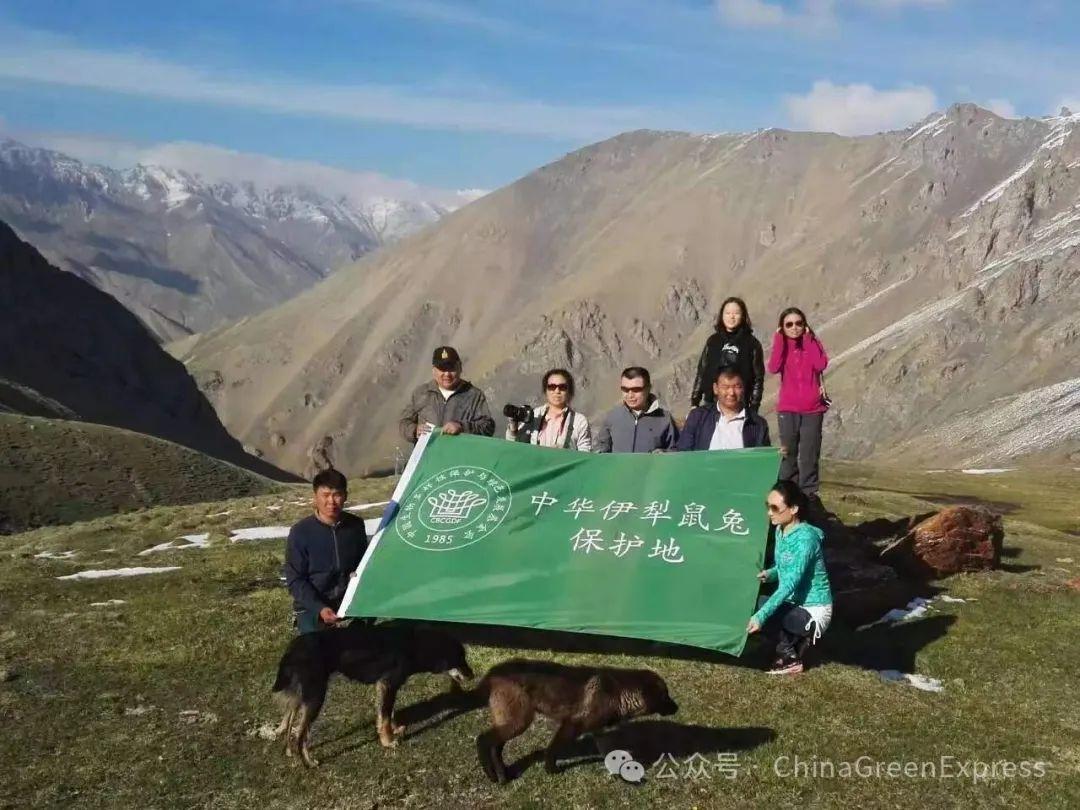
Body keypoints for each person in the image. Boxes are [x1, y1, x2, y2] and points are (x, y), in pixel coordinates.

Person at [746, 480, 832, 675]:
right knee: (755, 603)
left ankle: (790, 656)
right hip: (793, 602)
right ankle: (787, 642)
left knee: (770, 614)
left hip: (813, 608)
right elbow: (785, 565)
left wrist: (761, 617)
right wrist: (770, 574)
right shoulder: (781, 529)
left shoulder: (806, 539)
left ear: (793, 509)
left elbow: (790, 584)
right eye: (768, 506)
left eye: (775, 508)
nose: (769, 512)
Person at [283, 468, 368, 634]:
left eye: (337, 494)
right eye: (325, 494)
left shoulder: (355, 526)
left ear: (345, 496)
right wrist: (320, 607)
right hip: (313, 606)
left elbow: (364, 564)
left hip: (349, 602)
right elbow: (295, 579)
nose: (332, 501)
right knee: (318, 652)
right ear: (315, 497)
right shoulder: (300, 532)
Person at [767, 307, 829, 510]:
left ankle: (809, 496)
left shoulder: (812, 343)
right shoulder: (782, 345)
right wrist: (778, 341)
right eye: (789, 324)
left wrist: (810, 340)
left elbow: (820, 364)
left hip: (813, 409)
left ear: (805, 325)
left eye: (799, 323)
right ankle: (787, 495)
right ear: (782, 328)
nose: (794, 328)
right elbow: (774, 367)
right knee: (789, 454)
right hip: (788, 409)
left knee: (810, 453)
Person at [399, 346, 496, 443]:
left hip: (461, 456)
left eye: (451, 368)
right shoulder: (421, 393)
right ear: (434, 370)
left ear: (460, 368)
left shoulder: (474, 395)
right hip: (428, 456)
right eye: (442, 369)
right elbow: (404, 423)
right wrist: (414, 430)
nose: (447, 374)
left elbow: (488, 427)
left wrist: (462, 427)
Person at [691, 297, 765, 413]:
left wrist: (754, 406)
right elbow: (702, 370)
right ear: (722, 316)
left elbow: (758, 378)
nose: (731, 316)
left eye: (736, 313)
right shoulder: (713, 341)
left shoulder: (752, 344)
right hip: (711, 402)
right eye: (728, 313)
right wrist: (695, 401)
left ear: (743, 316)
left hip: (739, 403)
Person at [676, 367, 770, 450]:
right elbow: (684, 454)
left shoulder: (757, 424)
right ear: (715, 389)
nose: (731, 393)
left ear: (743, 388)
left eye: (737, 386)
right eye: (725, 387)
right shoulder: (698, 417)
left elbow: (763, 460)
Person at [594, 366, 678, 453]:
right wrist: (599, 451)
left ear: (648, 388)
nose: (630, 395)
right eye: (625, 389)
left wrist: (665, 454)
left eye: (636, 389)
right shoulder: (613, 416)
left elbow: (677, 451)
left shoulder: (664, 419)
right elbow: (602, 446)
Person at [505, 368, 592, 450]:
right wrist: (513, 427)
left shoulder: (579, 421)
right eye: (552, 387)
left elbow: (585, 455)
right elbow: (515, 446)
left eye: (562, 387)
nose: (557, 391)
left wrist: (565, 453)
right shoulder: (535, 415)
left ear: (569, 391)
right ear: (545, 391)